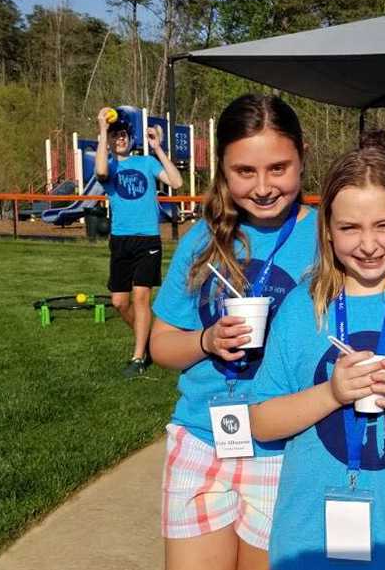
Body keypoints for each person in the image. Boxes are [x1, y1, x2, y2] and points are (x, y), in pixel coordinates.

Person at [249, 149, 385, 570]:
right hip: (308, 537)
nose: (368, 245)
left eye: (384, 226)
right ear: (328, 231)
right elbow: (262, 420)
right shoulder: (302, 308)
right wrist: (332, 393)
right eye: (350, 228)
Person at [149, 94, 317, 570]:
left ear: (303, 155)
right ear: (222, 167)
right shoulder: (202, 240)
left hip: (284, 448)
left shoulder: (329, 237)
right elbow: (161, 344)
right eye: (245, 171)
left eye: (278, 168)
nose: (263, 187)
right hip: (202, 438)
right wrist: (206, 341)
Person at [95, 108, 184, 377]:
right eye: (115, 136)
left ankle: (137, 357)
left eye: (124, 135)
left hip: (148, 239)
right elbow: (100, 172)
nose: (120, 139)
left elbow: (176, 182)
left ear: (131, 139)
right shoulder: (110, 166)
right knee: (120, 302)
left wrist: (158, 148)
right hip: (121, 240)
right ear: (110, 141)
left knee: (141, 297)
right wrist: (102, 131)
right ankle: (148, 341)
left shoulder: (146, 163)